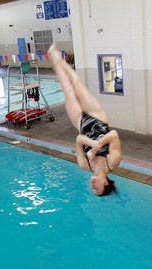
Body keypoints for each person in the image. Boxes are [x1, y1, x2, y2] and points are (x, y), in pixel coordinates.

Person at [48, 44, 122, 196]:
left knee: (68, 90)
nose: (92, 186)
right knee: (76, 83)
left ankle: (55, 59)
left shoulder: (84, 164)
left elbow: (79, 139)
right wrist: (97, 145)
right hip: (97, 117)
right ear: (106, 183)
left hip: (80, 123)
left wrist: (91, 145)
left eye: (92, 189)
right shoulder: (112, 162)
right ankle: (63, 63)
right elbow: (113, 134)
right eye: (97, 188)